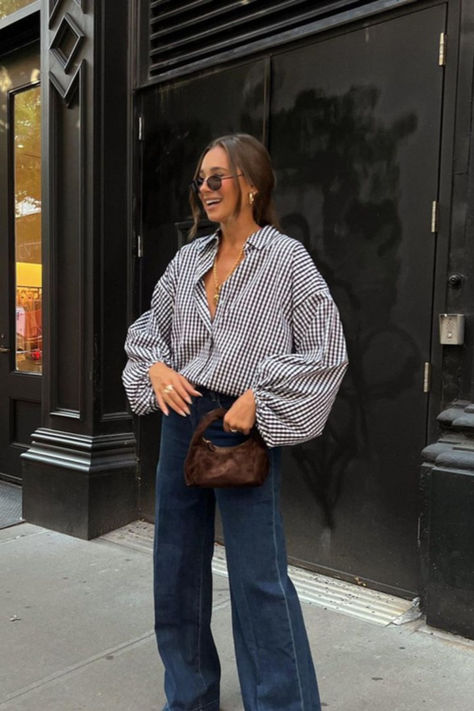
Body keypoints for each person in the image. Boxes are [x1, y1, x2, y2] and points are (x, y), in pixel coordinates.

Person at [122, 133, 348, 711]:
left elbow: (327, 351)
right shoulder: (189, 257)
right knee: (174, 567)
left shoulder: (286, 260)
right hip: (182, 420)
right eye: (200, 179)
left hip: (241, 424)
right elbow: (150, 327)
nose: (205, 188)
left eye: (216, 177)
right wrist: (154, 368)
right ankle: (191, 696)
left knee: (258, 577)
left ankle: (281, 703)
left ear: (250, 183)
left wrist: (260, 395)